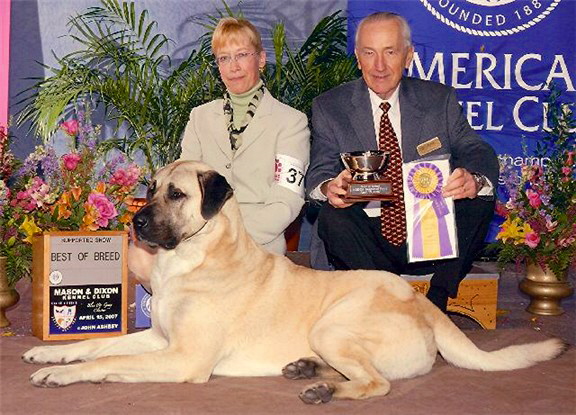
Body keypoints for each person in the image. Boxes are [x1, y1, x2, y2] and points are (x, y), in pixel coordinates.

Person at [305, 12, 498, 312]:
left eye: (390, 52)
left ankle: (437, 301)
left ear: (408, 56)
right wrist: (330, 187)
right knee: (332, 217)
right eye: (369, 53)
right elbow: (318, 174)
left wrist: (473, 178)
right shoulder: (330, 107)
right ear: (357, 58)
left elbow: (476, 148)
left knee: (480, 196)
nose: (379, 66)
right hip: (366, 244)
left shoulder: (439, 99)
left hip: (431, 241)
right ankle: (391, 305)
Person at [180, 17, 310, 254]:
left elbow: (287, 200)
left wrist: (232, 238)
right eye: (224, 58)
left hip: (260, 249)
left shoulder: (292, 122)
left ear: (260, 59)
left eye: (241, 55)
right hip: (201, 246)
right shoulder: (199, 118)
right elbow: (185, 185)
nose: (234, 67)